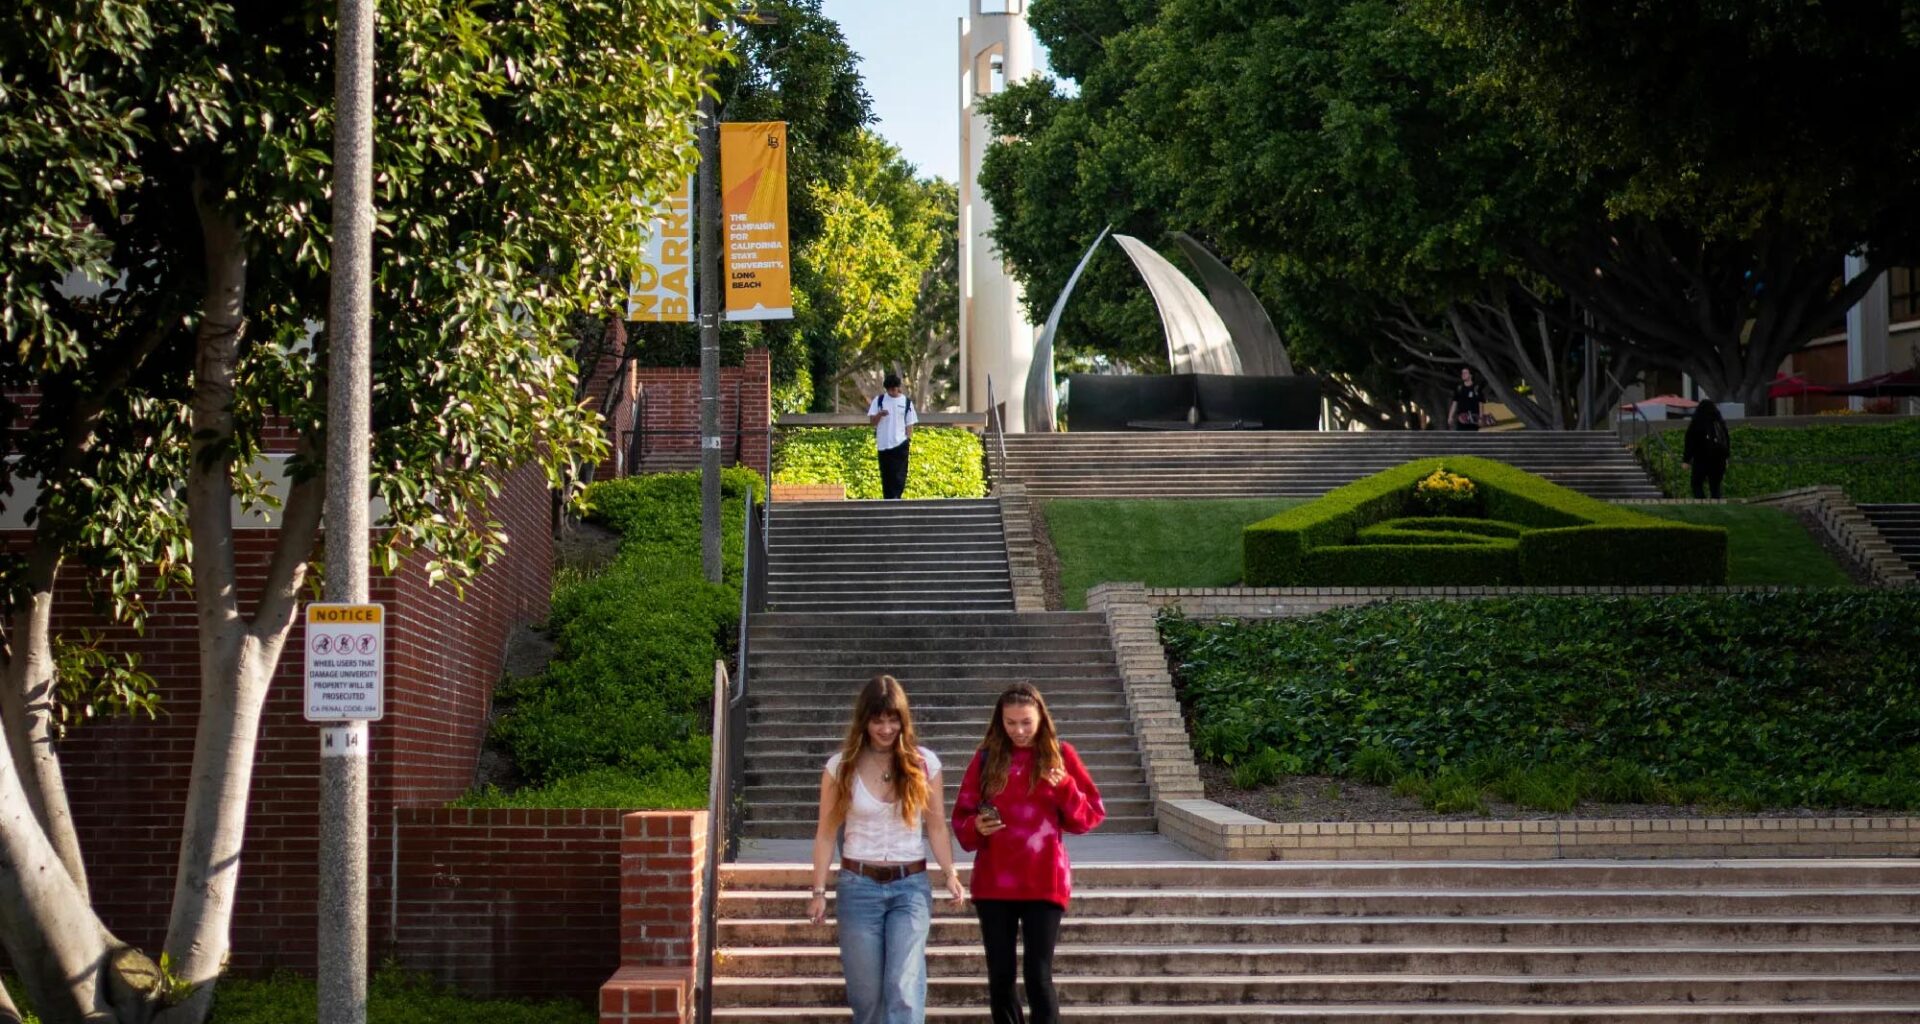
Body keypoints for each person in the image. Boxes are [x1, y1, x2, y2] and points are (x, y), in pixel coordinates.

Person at [808, 675, 966, 1024]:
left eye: (892, 719)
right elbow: (825, 833)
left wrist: (950, 873)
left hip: (909, 885)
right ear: (864, 720)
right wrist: (818, 890)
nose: (885, 728)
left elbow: (938, 826)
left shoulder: (924, 763)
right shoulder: (841, 766)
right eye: (877, 719)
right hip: (857, 884)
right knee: (867, 994)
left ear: (903, 720)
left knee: (904, 985)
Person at [951, 683, 1105, 1024]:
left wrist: (1065, 787)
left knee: (1039, 976)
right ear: (999, 721)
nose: (1018, 731)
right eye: (1010, 723)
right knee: (1001, 978)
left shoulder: (1061, 756)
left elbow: (1090, 816)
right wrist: (976, 825)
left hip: (1044, 881)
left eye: (1026, 723)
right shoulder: (985, 758)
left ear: (1041, 719)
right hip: (994, 883)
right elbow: (960, 820)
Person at [868, 372, 918, 499]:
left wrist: (908, 439)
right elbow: (872, 422)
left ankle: (897, 497)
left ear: (898, 387)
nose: (892, 392)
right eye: (889, 390)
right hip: (884, 443)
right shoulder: (879, 400)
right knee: (887, 474)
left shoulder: (906, 402)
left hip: (900, 442)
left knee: (900, 473)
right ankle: (888, 499)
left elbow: (909, 423)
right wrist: (880, 414)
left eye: (894, 389)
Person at [1682, 398, 1732, 499]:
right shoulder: (1719, 424)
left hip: (1701, 458)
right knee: (1715, 486)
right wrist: (1726, 457)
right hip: (1719, 459)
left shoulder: (1697, 423)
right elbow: (1726, 440)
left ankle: (1702, 504)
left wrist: (1686, 460)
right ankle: (1716, 505)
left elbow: (1690, 442)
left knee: (1697, 484)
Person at [1447, 366, 1487, 431]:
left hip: (1473, 419)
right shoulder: (1459, 388)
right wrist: (1450, 416)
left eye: (1465, 373)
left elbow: (1480, 404)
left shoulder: (1476, 388)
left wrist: (1481, 418)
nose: (1463, 375)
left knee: (1472, 438)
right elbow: (1454, 403)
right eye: (1462, 373)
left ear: (1470, 375)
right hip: (1461, 419)